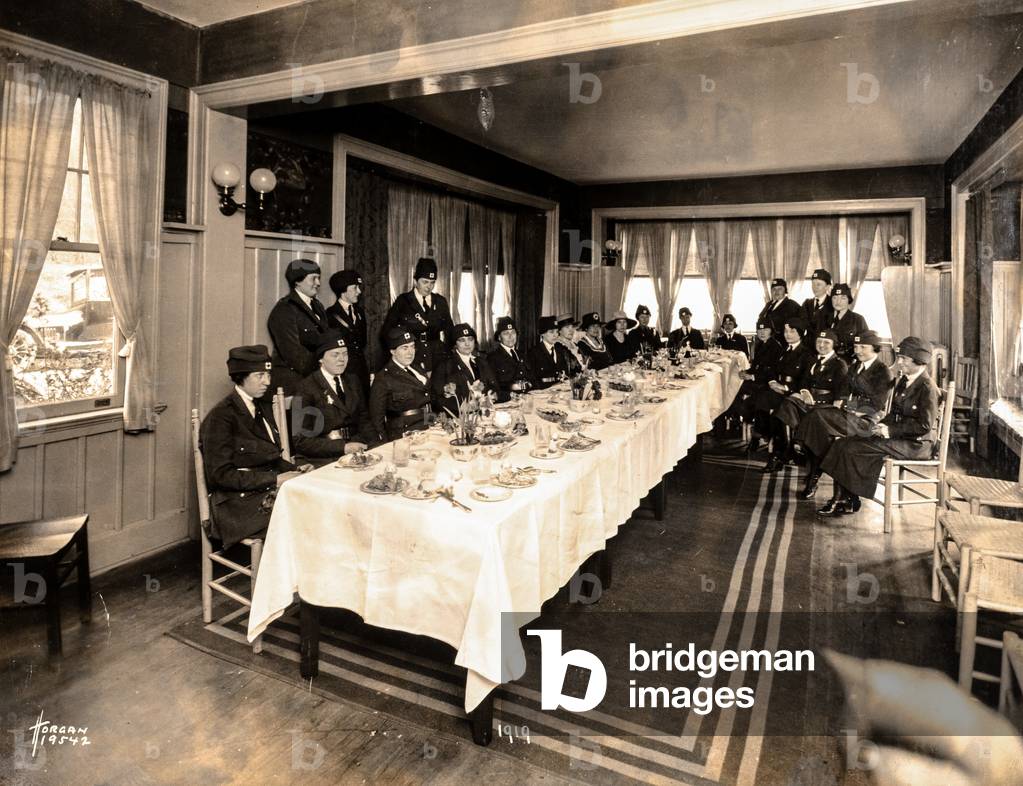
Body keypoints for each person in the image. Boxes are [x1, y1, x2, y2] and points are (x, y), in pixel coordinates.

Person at [199, 345, 309, 546]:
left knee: (313, 506)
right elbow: (220, 476)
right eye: (260, 375)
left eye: (268, 374)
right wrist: (275, 479)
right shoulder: (221, 417)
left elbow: (269, 457)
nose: (267, 381)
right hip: (235, 505)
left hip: (261, 492)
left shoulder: (262, 407)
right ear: (241, 376)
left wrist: (295, 470)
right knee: (303, 517)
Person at [818, 336, 937, 516]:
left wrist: (890, 430)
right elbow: (894, 413)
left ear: (919, 361)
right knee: (842, 443)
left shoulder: (927, 387)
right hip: (900, 437)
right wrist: (880, 424)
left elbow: (925, 425)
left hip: (916, 444)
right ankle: (846, 498)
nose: (900, 363)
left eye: (904, 359)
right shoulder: (905, 380)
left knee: (853, 448)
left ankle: (845, 499)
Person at [795, 329, 894, 499]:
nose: (858, 351)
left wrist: (849, 405)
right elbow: (843, 391)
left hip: (867, 420)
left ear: (875, 349)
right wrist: (840, 403)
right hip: (849, 415)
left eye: (863, 347)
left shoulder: (882, 371)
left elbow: (877, 404)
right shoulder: (855, 366)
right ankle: (819, 471)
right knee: (818, 428)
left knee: (816, 417)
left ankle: (813, 468)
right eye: (856, 346)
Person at [762, 329, 849, 473]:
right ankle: (785, 451)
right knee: (785, 405)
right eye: (819, 342)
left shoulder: (839, 364)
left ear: (834, 345)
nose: (821, 345)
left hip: (823, 407)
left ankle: (787, 452)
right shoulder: (813, 360)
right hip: (808, 402)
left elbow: (840, 393)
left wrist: (823, 404)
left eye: (826, 342)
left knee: (786, 409)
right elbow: (803, 381)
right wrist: (803, 393)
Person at [292, 332, 377, 461]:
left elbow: (364, 420)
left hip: (357, 449)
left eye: (345, 353)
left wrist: (375, 445)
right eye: (335, 355)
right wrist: (343, 447)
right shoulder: (305, 387)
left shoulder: (353, 381)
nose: (342, 359)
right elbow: (301, 441)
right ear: (321, 359)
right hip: (325, 457)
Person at [266, 258, 330, 395]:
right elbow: (294, 355)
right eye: (313, 278)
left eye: (319, 278)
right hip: (294, 384)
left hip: (314, 379)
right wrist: (324, 371)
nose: (318, 283)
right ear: (297, 281)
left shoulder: (317, 306)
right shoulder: (284, 309)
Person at [380, 257, 454, 375]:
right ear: (415, 281)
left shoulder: (440, 302)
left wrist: (446, 353)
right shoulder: (403, 301)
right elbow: (387, 332)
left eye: (432, 282)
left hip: (436, 357)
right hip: (412, 356)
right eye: (425, 282)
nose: (429, 287)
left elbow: (450, 331)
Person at [751, 318, 814, 453]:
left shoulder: (807, 354)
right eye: (786, 331)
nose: (788, 334)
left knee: (777, 411)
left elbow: (805, 380)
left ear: (800, 333)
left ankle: (780, 449)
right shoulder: (784, 350)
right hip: (777, 388)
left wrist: (786, 388)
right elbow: (772, 370)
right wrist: (773, 382)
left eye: (792, 331)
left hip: (792, 393)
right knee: (760, 399)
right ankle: (763, 437)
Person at [369, 328, 433, 441]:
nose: (410, 352)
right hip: (405, 434)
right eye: (405, 348)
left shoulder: (417, 369)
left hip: (428, 425)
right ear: (392, 351)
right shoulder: (383, 378)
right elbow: (376, 419)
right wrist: (384, 444)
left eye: (412, 346)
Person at [727, 320, 784, 433]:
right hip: (757, 380)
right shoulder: (760, 345)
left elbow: (771, 372)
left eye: (765, 330)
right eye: (759, 330)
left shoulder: (775, 347)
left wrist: (752, 377)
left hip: (766, 383)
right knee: (732, 387)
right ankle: (736, 420)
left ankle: (756, 429)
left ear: (771, 331)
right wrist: (745, 371)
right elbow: (755, 367)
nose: (762, 333)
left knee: (751, 398)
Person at [432, 323, 498, 414]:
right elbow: (438, 398)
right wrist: (462, 406)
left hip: (484, 411)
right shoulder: (445, 365)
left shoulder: (482, 362)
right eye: (462, 340)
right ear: (455, 343)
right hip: (460, 416)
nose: (467, 344)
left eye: (470, 339)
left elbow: (494, 386)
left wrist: (491, 396)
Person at [324, 269, 370, 399]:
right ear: (343, 290)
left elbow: (363, 342)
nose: (359, 291)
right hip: (343, 371)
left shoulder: (360, 312)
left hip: (361, 371)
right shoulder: (330, 315)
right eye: (355, 288)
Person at [487, 316, 532, 402]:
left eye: (513, 332)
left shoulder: (522, 354)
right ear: (499, 337)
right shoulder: (492, 358)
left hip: (526, 398)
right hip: (507, 402)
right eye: (506, 333)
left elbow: (531, 379)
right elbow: (493, 388)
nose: (511, 336)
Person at [527, 315, 575, 389]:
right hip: (544, 391)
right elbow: (533, 379)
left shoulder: (560, 348)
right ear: (542, 333)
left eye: (556, 332)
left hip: (562, 389)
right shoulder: (534, 352)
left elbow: (568, 371)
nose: (555, 335)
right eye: (551, 332)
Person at [827, 282, 869, 365]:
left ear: (848, 300)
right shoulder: (824, 318)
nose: (838, 301)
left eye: (843, 298)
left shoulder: (858, 319)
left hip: (849, 364)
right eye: (835, 298)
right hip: (827, 364)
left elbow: (865, 346)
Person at [801, 268, 834, 333]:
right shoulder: (807, 304)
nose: (814, 287)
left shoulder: (832, 304)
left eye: (818, 284)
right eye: (813, 284)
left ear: (827, 287)